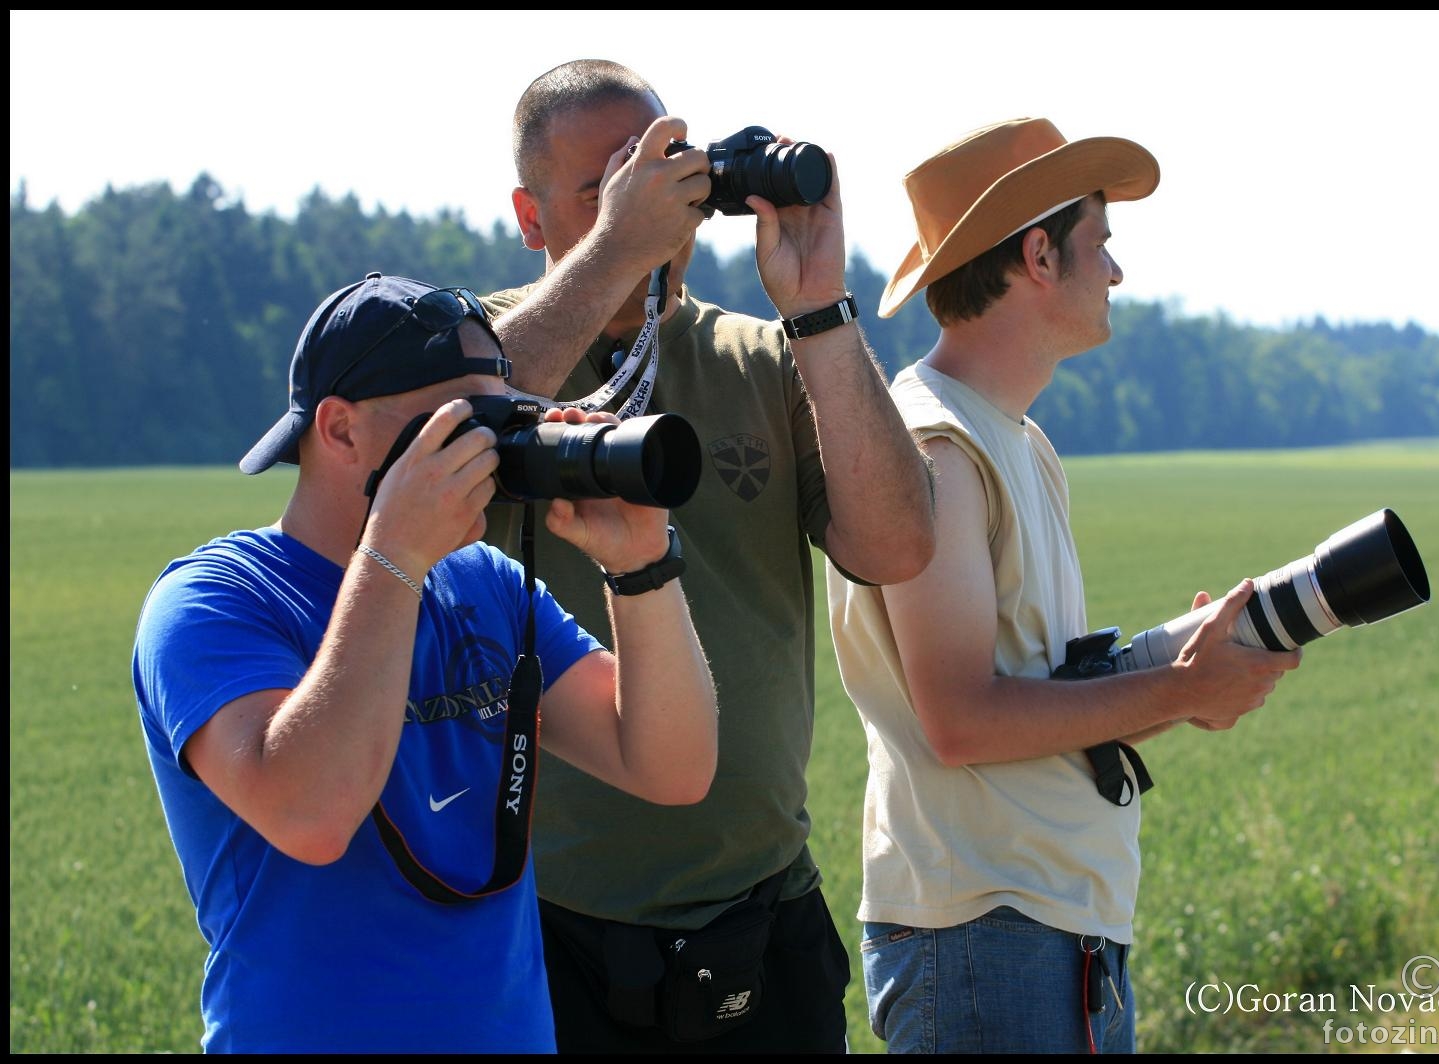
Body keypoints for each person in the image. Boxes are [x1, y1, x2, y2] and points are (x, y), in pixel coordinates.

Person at [130, 272, 718, 1053]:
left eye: (505, 424)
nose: (492, 452)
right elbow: (312, 814)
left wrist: (640, 566)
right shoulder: (215, 602)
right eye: (462, 426)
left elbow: (672, 767)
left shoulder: (483, 585)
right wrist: (395, 556)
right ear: (339, 431)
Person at [477, 59, 936, 1053]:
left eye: (667, 174)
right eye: (608, 184)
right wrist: (611, 253)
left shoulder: (763, 358)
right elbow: (432, 446)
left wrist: (816, 306)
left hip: (762, 925)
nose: (649, 206)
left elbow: (898, 541)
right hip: (545, 935)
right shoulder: (480, 350)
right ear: (529, 212)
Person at [824, 118, 1306, 1053]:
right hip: (987, 938)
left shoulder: (1017, 442)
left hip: (1039, 930)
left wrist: (1186, 672)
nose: (1118, 272)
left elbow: (1038, 687)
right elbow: (960, 718)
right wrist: (1177, 689)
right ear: (1038, 255)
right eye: (1103, 243)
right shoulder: (938, 449)